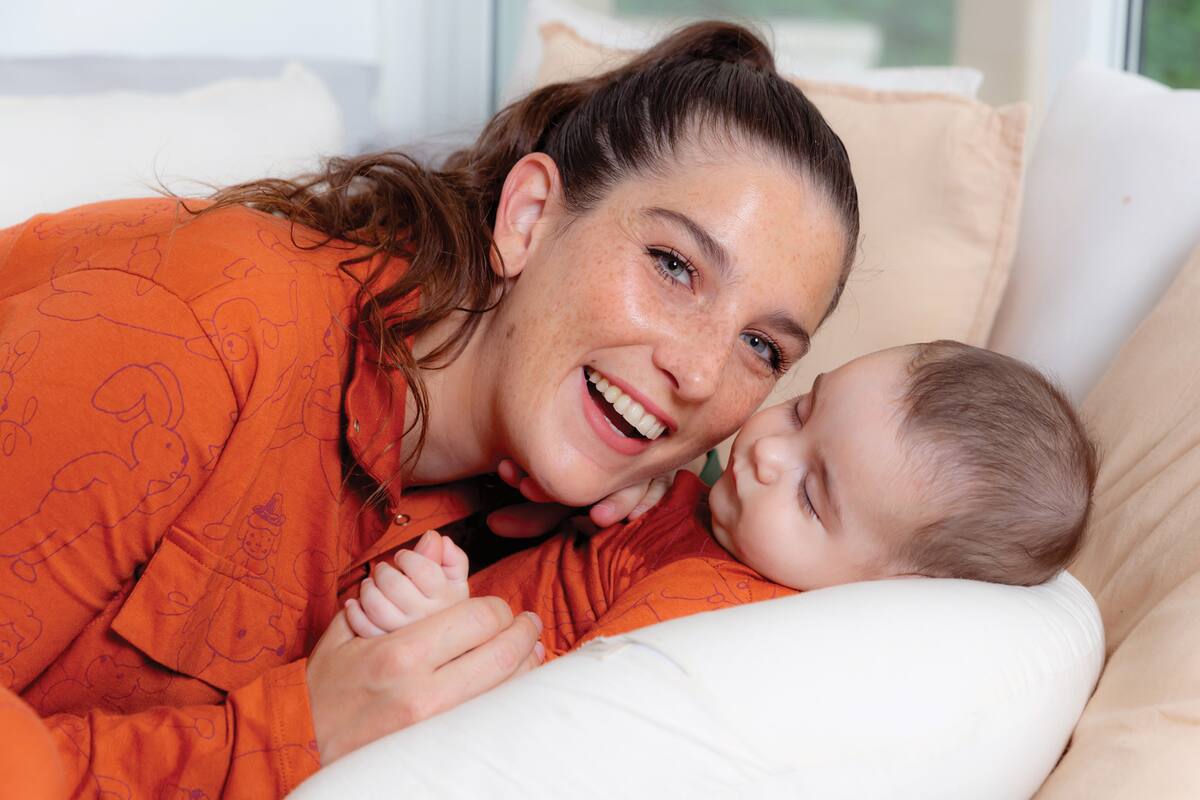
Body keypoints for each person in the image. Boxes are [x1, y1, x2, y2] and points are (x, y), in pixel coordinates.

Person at [0, 20, 860, 798]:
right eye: (674, 266)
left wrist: (690, 469)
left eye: (762, 348)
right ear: (527, 218)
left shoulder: (574, 511)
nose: (702, 374)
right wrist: (290, 735)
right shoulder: (191, 338)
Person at [344, 341, 1099, 658]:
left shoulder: (706, 612)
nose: (768, 451)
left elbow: (559, 713)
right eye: (805, 409)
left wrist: (442, 629)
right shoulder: (730, 517)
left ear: (880, 590)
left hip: (458, 659)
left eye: (811, 494)